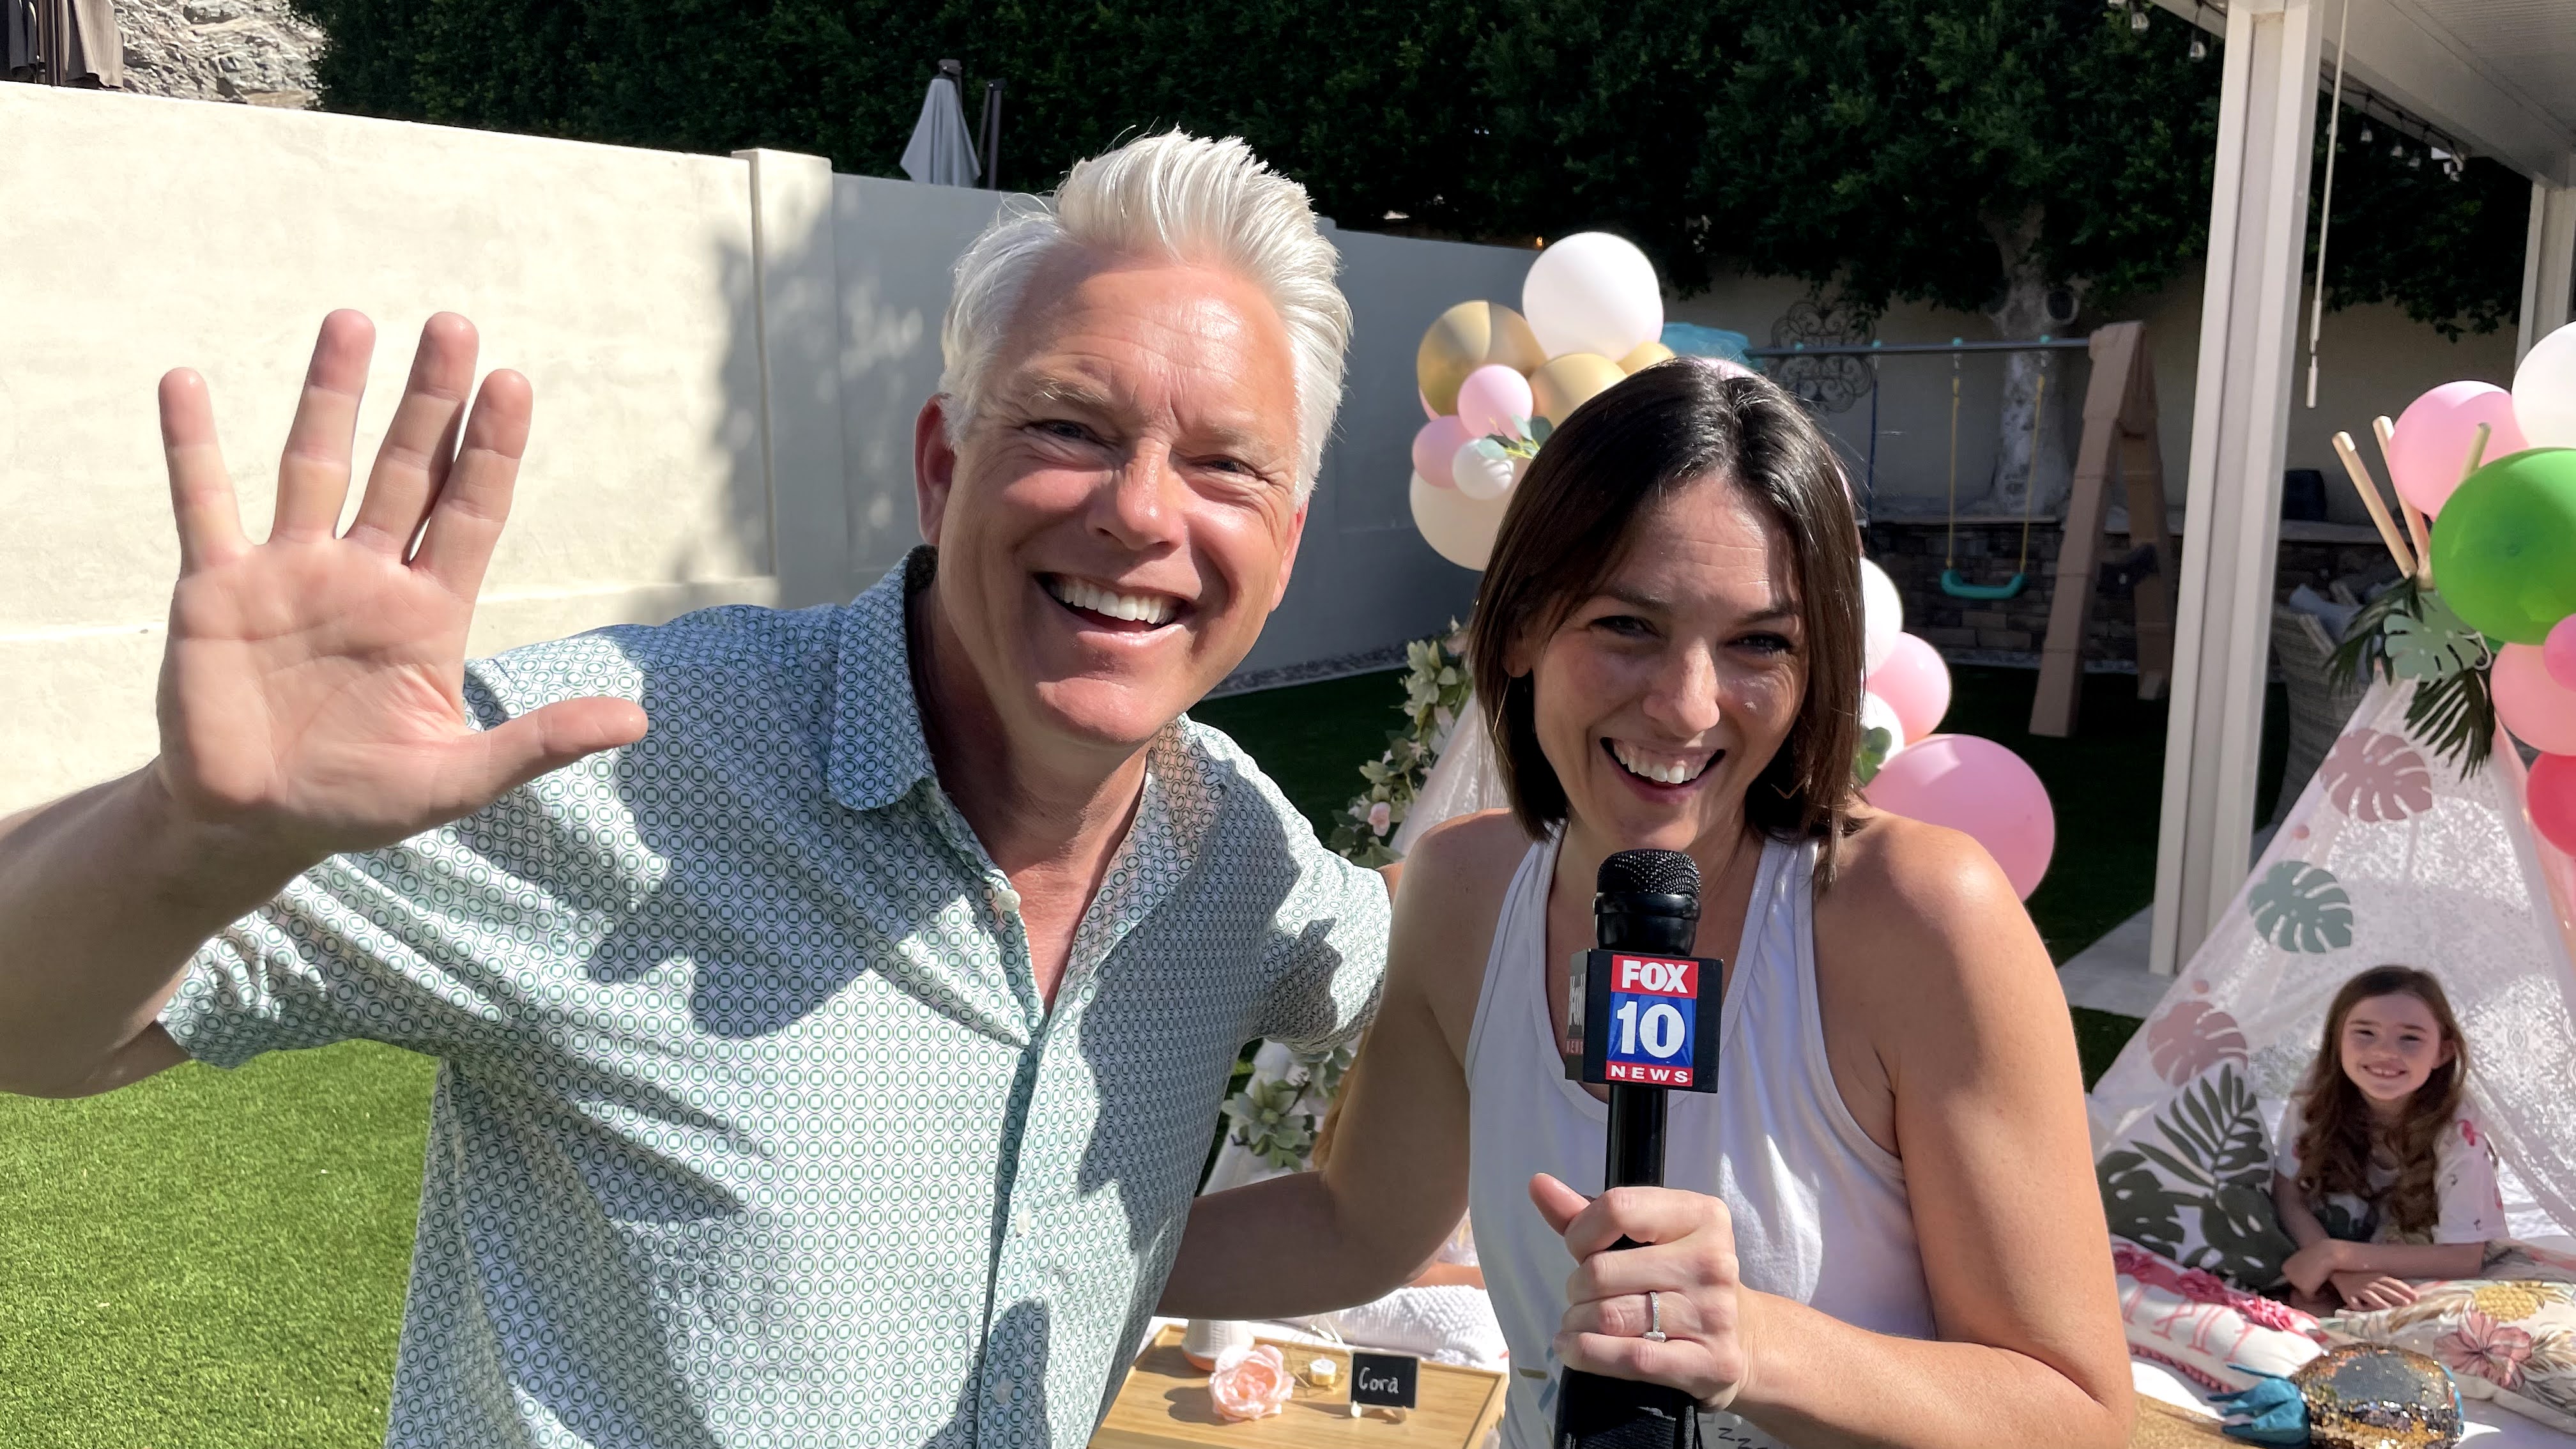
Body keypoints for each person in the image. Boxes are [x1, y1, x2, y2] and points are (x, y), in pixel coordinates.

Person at [0, 131, 1393, 1448]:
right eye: (1071, 426)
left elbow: (1410, 952)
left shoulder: (1239, 859)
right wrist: (183, 837)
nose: (1141, 509)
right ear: (941, 467)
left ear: (1283, 543)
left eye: (1223, 464)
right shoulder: (610, 758)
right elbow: (33, 1031)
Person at [1161, 359, 2133, 1449]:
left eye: (1760, 642)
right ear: (1520, 628)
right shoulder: (1463, 891)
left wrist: (1753, 1344)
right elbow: (1356, 1227)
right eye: (1628, 624)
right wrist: (1048, 1248)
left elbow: (2079, 1415)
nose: (1685, 705)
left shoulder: (1919, 917)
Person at [2275, 965, 2504, 1314]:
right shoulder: (2317, 1093)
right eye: (2365, 1033)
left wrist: (2337, 1256)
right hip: (2334, 1235)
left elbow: (2465, 1258)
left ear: (2442, 1053)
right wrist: (2339, 1272)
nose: (2385, 1052)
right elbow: (2288, 1194)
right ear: (2337, 1040)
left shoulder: (2459, 1128)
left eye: (2410, 1038)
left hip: (2420, 1246)